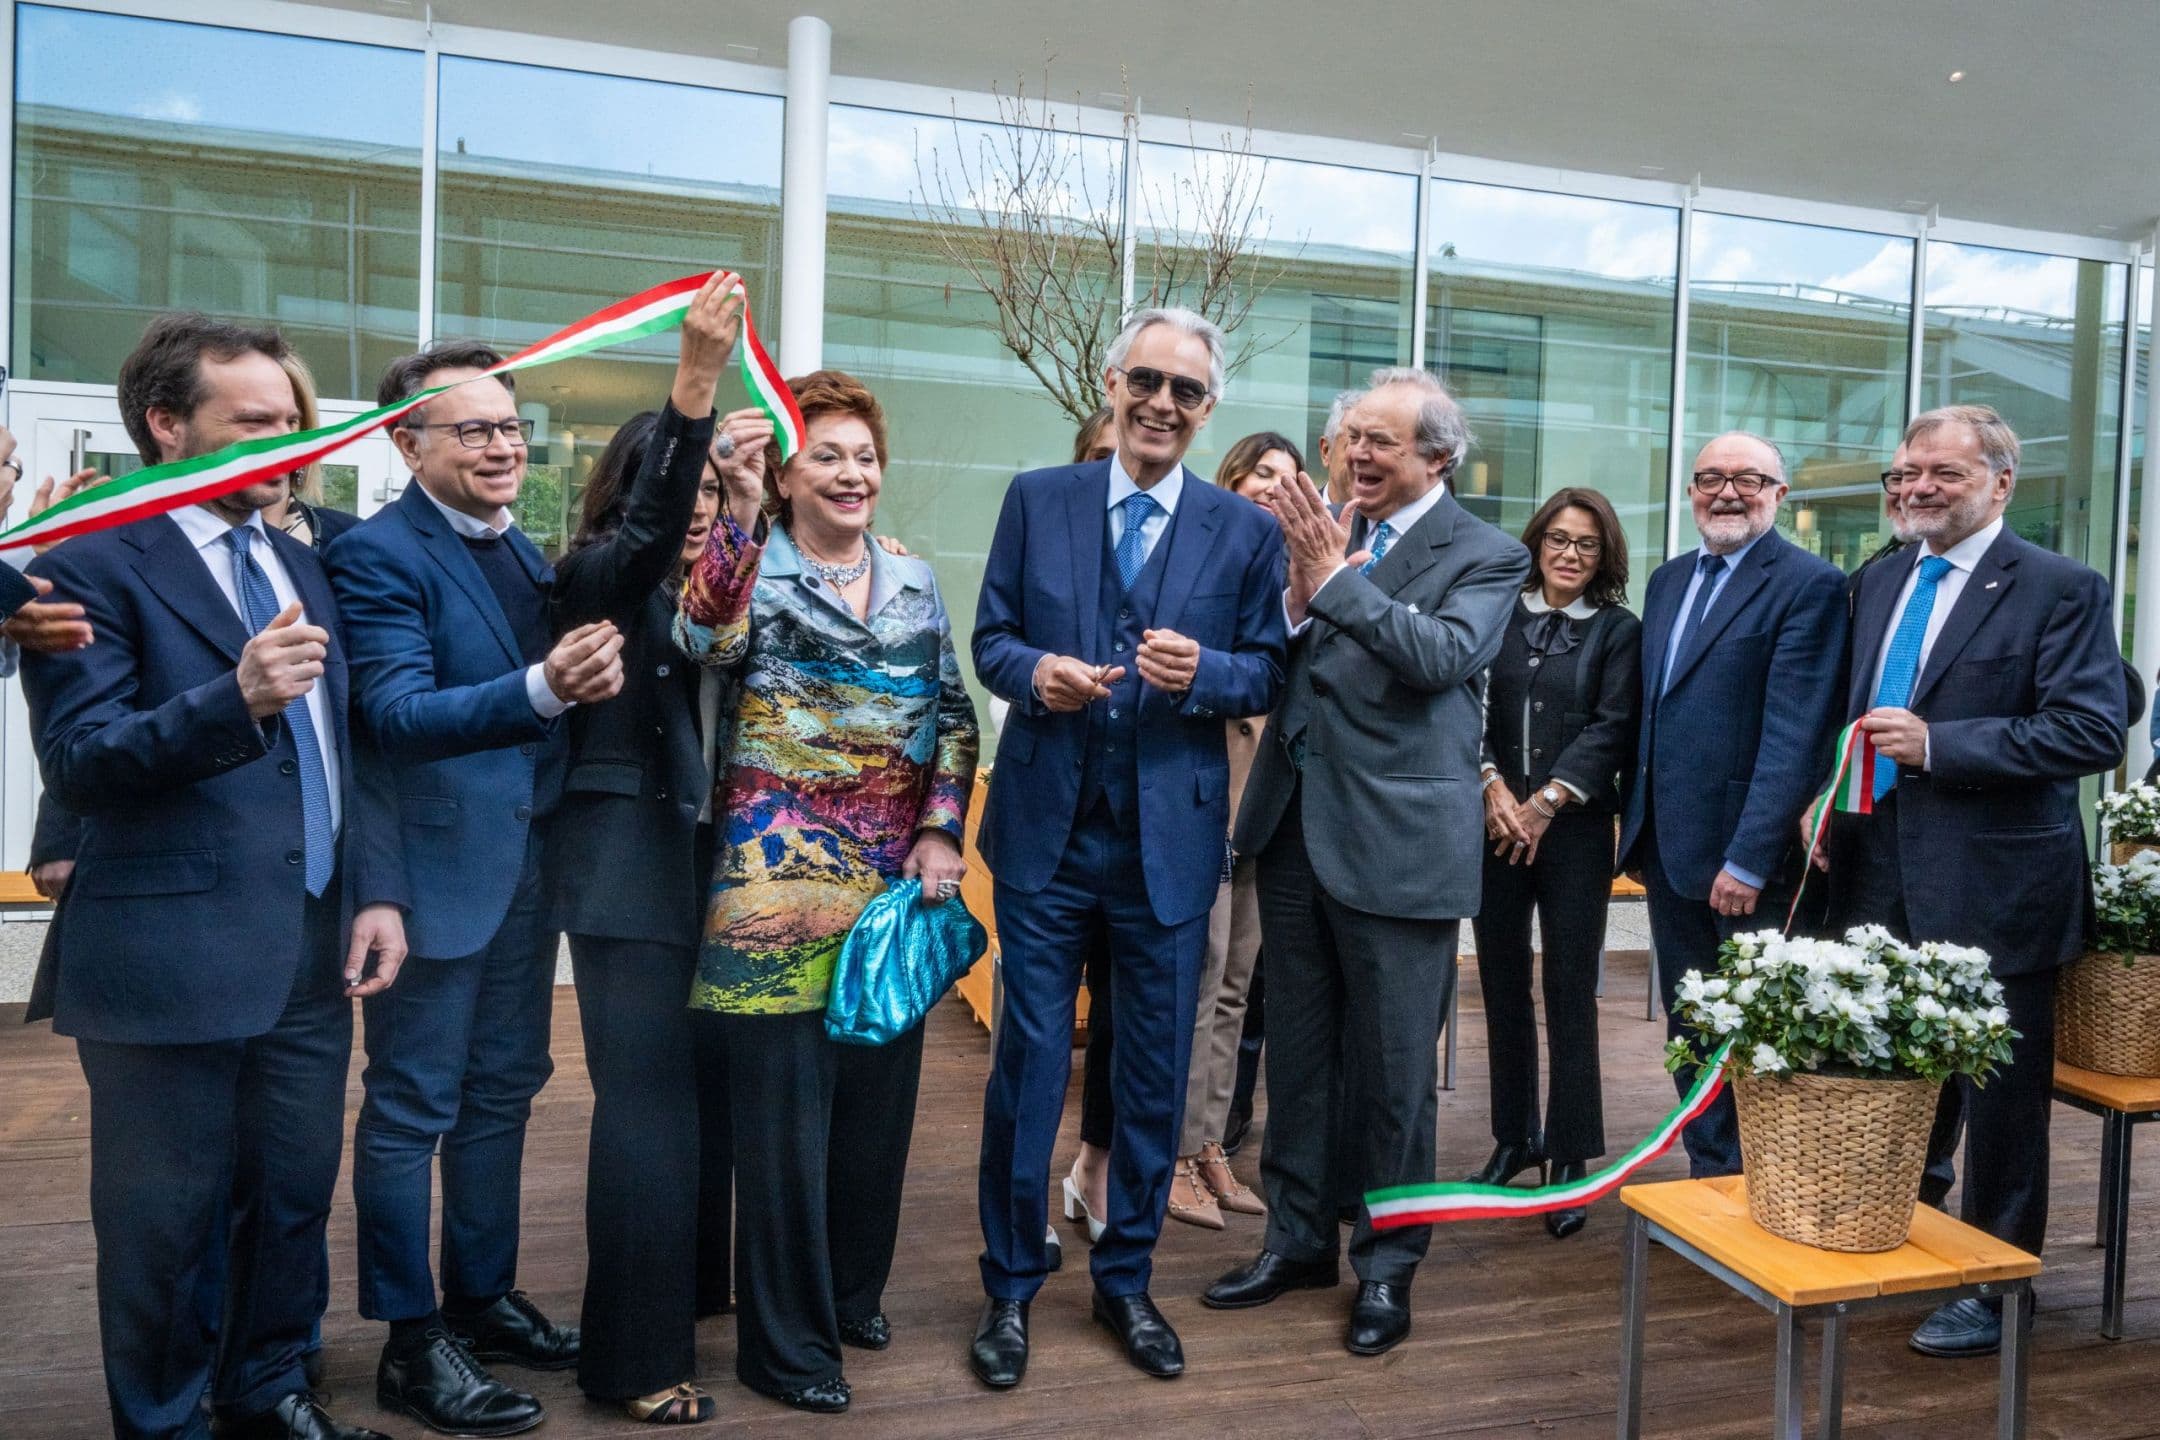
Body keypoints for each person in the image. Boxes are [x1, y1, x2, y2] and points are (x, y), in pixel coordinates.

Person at [19, 312, 408, 1440]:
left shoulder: (300, 561)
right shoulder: (87, 563)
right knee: (164, 1223)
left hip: (309, 942)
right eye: (256, 424)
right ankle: (164, 1422)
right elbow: (81, 762)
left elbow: (346, 751)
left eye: (295, 422)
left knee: (288, 1197)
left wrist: (373, 890)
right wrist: (230, 699)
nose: (290, 444)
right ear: (166, 424)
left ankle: (268, 1392)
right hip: (166, 955)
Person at [970, 307, 1287, 1388]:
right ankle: (1010, 1286)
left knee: (1152, 1072)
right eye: (1145, 380)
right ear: (1112, 385)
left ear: (1209, 408)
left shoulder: (1243, 531)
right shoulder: (1037, 498)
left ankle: (1127, 1280)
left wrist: (1206, 673)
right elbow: (992, 639)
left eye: (1185, 390)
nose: (1161, 403)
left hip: (1169, 847)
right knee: (1028, 1068)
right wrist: (1034, 674)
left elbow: (1267, 670)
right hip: (1046, 841)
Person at [329, 340, 625, 1436]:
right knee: (412, 1107)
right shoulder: (378, 557)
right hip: (433, 878)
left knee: (504, 1090)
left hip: (527, 872)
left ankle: (481, 1299)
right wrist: (544, 687)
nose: (504, 447)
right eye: (475, 430)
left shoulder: (522, 548)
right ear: (406, 444)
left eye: (511, 427)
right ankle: (411, 1342)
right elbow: (395, 716)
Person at [1204, 368, 1527, 1357]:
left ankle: (1387, 1267)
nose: (1356, 455)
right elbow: (1280, 658)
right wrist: (1299, 595)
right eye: (1349, 438)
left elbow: (1440, 657)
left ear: (1440, 455)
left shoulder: (1489, 553)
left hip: (1400, 848)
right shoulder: (1324, 531)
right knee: (1299, 1060)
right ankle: (1297, 1241)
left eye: (1380, 440)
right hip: (1295, 830)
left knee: (1393, 1076)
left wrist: (1334, 580)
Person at [673, 368, 978, 1415]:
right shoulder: (747, 569)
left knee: (874, 1118)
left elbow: (953, 715)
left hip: (892, 898)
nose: (853, 473)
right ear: (785, 475)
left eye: (865, 456)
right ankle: (784, 1348)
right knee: (784, 1137)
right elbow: (699, 637)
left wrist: (941, 831)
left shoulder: (915, 579)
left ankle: (850, 1295)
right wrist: (735, 507)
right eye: (829, 456)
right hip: (775, 897)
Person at [1814, 405, 2123, 1357]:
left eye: (1942, 473)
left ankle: (1995, 1287)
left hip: (1999, 886)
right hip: (1878, 873)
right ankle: (1911, 1233)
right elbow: (1857, 714)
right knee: (1903, 1071)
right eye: (1905, 472)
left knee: (1999, 1102)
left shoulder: (2062, 588)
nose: (1917, 488)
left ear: (2000, 483)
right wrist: (1827, 801)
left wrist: (1942, 744)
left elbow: (2091, 730)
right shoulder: (1879, 579)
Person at [544, 278, 749, 1424]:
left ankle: (694, 1294)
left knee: (704, 1101)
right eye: (692, 486)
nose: (706, 506)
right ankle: (633, 1361)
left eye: (719, 488)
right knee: (649, 1111)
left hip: (716, 875)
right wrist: (695, 389)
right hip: (627, 876)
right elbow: (645, 544)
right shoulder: (596, 578)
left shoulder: (718, 596)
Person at [1617, 432, 1845, 1177]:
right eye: (1710, 478)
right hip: (1668, 849)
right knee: (1691, 1025)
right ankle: (1710, 1177)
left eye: (1748, 479)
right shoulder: (1668, 579)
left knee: (1756, 1031)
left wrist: (1749, 858)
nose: (1726, 493)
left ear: (1780, 495)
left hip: (1744, 862)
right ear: (1691, 491)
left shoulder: (1809, 585)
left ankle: (1764, 1183)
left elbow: (1796, 735)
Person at [1468, 487, 1642, 1240]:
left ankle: (1570, 1156)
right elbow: (1468, 706)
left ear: (1605, 557)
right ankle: (1515, 1138)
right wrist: (1492, 787)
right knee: (1502, 983)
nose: (1570, 554)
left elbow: (1614, 726)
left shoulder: (1619, 631)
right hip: (1494, 824)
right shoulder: (1498, 615)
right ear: (1537, 542)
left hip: (1572, 833)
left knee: (1570, 988)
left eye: (1587, 544)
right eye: (1559, 539)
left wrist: (1545, 803)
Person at [1166, 430, 1301, 1228]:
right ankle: (1177, 1152)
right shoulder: (1210, 560)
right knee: (1203, 973)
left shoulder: (1300, 572)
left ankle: (1211, 1142)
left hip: (1269, 807)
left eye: (1289, 479)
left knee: (1237, 984)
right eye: (1262, 474)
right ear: (1233, 479)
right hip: (1209, 795)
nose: (1275, 488)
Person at [1316, 389, 1363, 509]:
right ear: (1326, 451)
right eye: (1354, 444)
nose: (1366, 458)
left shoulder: (1395, 518)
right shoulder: (1293, 516)